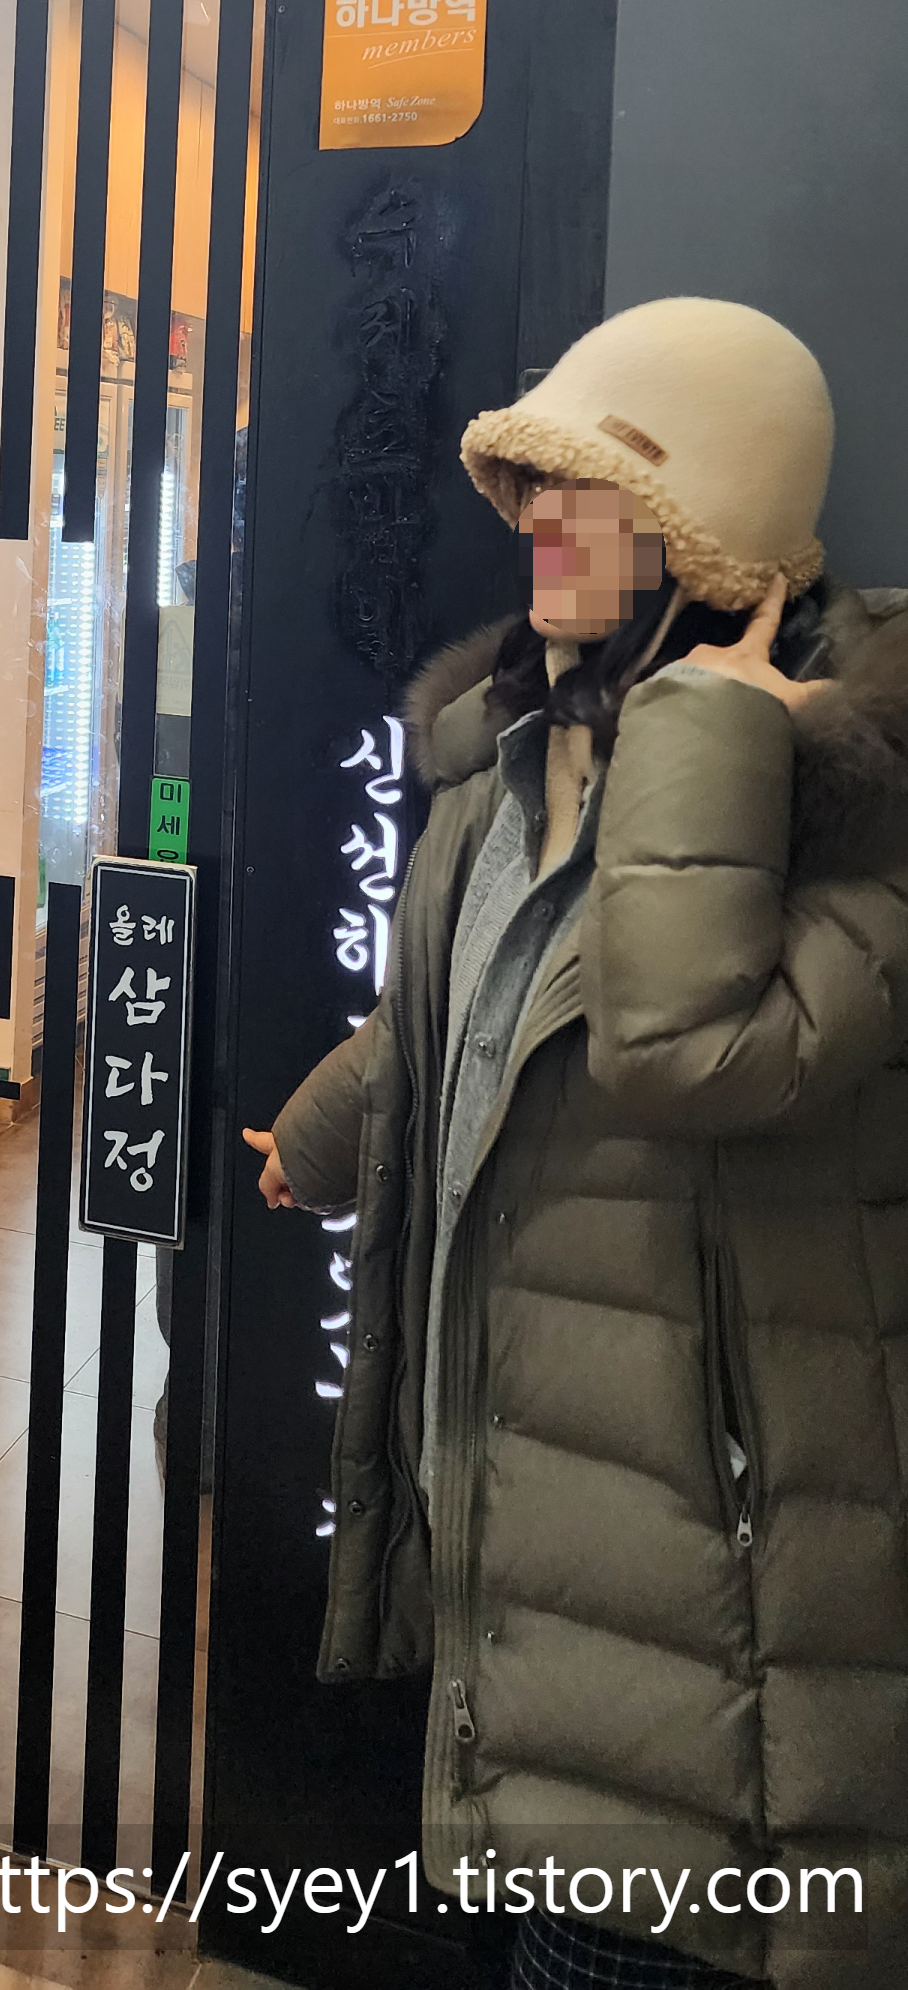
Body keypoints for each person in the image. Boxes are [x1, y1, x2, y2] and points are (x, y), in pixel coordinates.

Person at [243, 298, 908, 1990]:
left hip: (723, 1629)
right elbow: (473, 1002)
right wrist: (330, 1129)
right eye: (532, 483)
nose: (542, 521)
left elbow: (687, 1047)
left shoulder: (862, 797)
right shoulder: (528, 744)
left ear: (717, 524)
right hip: (542, 1568)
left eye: (594, 487)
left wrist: (712, 729)